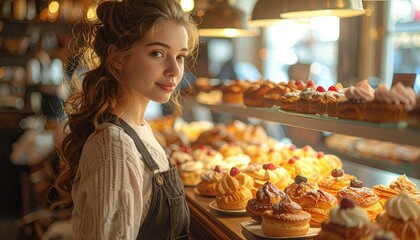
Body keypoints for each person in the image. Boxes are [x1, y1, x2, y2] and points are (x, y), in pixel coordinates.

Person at [52, 0, 198, 239]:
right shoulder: (115, 147)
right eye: (157, 53)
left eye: (180, 56)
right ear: (118, 57)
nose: (174, 70)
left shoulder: (139, 129)